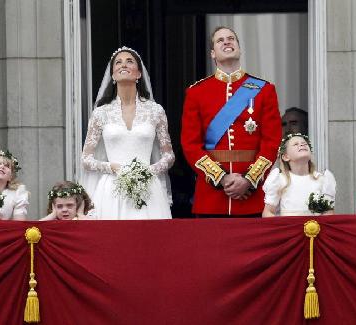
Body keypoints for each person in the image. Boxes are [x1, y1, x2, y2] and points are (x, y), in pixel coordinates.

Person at [181, 26, 282, 217]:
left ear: (239, 48)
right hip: (211, 198)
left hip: (252, 196)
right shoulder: (196, 92)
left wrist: (249, 180)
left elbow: (271, 142)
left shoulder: (264, 89)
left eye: (231, 39)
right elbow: (190, 144)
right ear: (212, 53)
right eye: (220, 40)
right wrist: (221, 178)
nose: (227, 42)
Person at [81, 47, 175, 220]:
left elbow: (168, 155)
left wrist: (148, 171)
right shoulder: (101, 113)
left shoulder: (156, 111)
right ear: (113, 75)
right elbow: (86, 159)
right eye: (118, 62)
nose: (123, 65)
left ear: (139, 74)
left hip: (148, 187)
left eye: (129, 61)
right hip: (111, 188)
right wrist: (112, 167)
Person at [262, 134, 336, 217]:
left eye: (304, 143)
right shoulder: (279, 179)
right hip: (289, 228)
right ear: (286, 157)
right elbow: (268, 212)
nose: (302, 145)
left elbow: (328, 214)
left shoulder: (322, 180)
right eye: (295, 144)